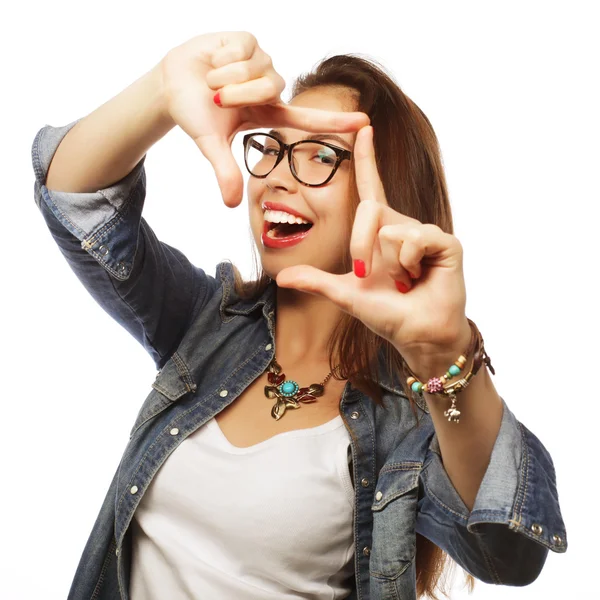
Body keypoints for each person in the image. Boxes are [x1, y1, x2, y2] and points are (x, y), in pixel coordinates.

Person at [31, 31, 567, 600]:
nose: (278, 176)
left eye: (320, 155)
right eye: (269, 147)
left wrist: (443, 352)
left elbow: (509, 553)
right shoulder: (203, 321)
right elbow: (75, 201)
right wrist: (162, 89)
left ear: (384, 192)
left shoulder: (408, 417)